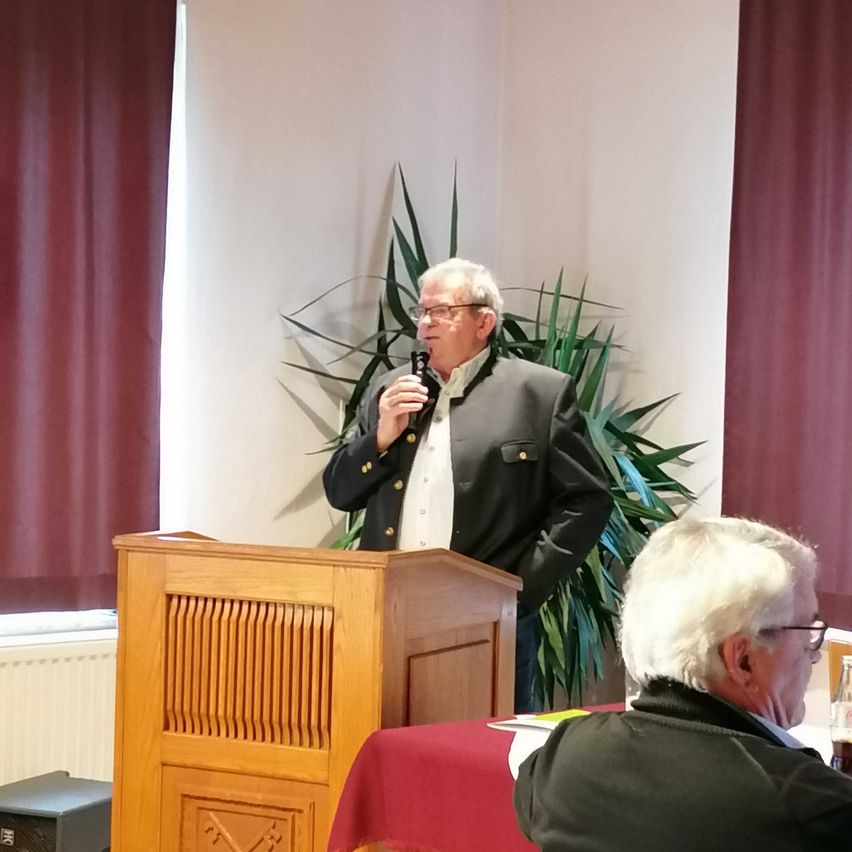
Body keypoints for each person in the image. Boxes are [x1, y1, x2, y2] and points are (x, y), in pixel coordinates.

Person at [322, 258, 612, 712]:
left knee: (485, 755)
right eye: (421, 313)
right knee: (386, 746)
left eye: (440, 311)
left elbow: (588, 500)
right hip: (387, 614)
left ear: (484, 321)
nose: (423, 326)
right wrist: (381, 437)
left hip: (490, 620)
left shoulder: (538, 394)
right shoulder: (390, 390)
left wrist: (521, 586)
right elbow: (341, 492)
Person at [514, 516, 852, 851]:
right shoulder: (813, 805)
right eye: (809, 632)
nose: (815, 655)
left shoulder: (563, 756)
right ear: (742, 660)